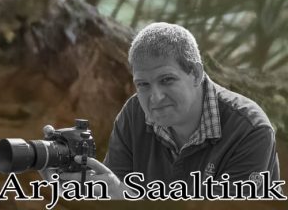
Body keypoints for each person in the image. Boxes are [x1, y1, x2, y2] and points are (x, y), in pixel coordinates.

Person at [82, 22, 281, 199]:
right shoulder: (134, 114)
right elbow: (112, 196)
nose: (155, 97)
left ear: (195, 73)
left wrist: (128, 199)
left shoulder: (249, 130)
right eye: (143, 84)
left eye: (167, 80)